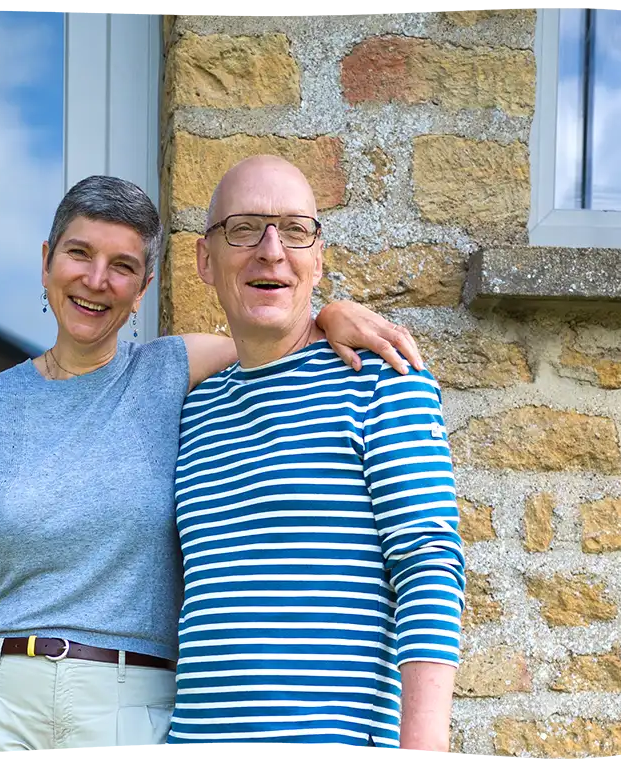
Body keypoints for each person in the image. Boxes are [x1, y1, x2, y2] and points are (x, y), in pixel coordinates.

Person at [0, 173, 426, 757]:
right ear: (47, 261)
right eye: (79, 253)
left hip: (127, 706)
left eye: (123, 266)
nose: (96, 280)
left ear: (144, 287)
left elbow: (272, 329)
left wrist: (333, 312)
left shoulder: (170, 370)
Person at [166, 156, 465, 753]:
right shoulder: (193, 412)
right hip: (194, 749)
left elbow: (429, 564)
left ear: (318, 258)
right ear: (205, 259)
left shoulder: (383, 381)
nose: (272, 251)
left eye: (295, 231)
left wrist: (424, 756)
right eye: (245, 228)